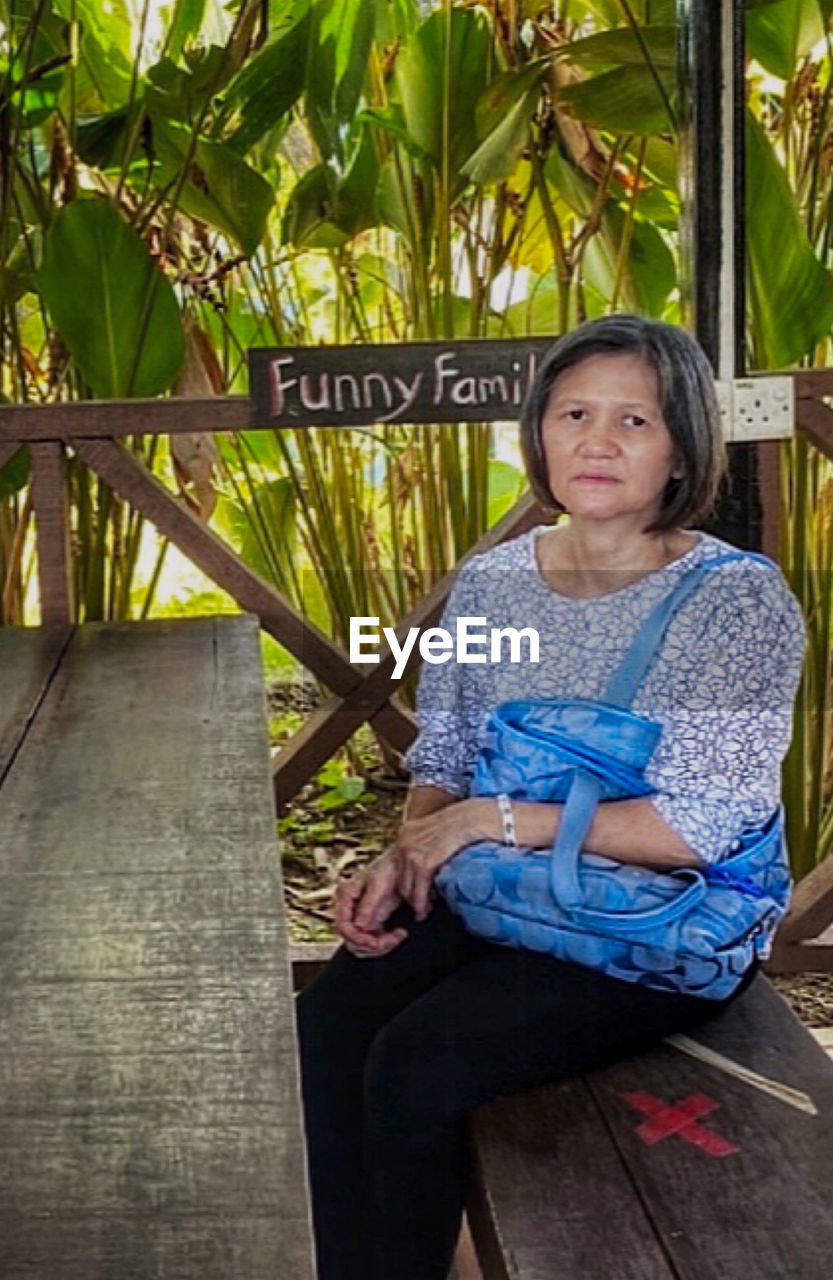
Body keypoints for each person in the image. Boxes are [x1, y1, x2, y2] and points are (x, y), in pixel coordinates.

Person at [296, 314, 806, 1280]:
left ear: (683, 448)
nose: (598, 441)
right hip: (508, 892)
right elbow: (444, 752)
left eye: (636, 421)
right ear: (538, 433)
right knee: (323, 1035)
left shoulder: (735, 604)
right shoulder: (492, 585)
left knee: (416, 1064)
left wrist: (480, 824)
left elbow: (700, 826)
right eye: (574, 412)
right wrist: (406, 861)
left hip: (662, 930)